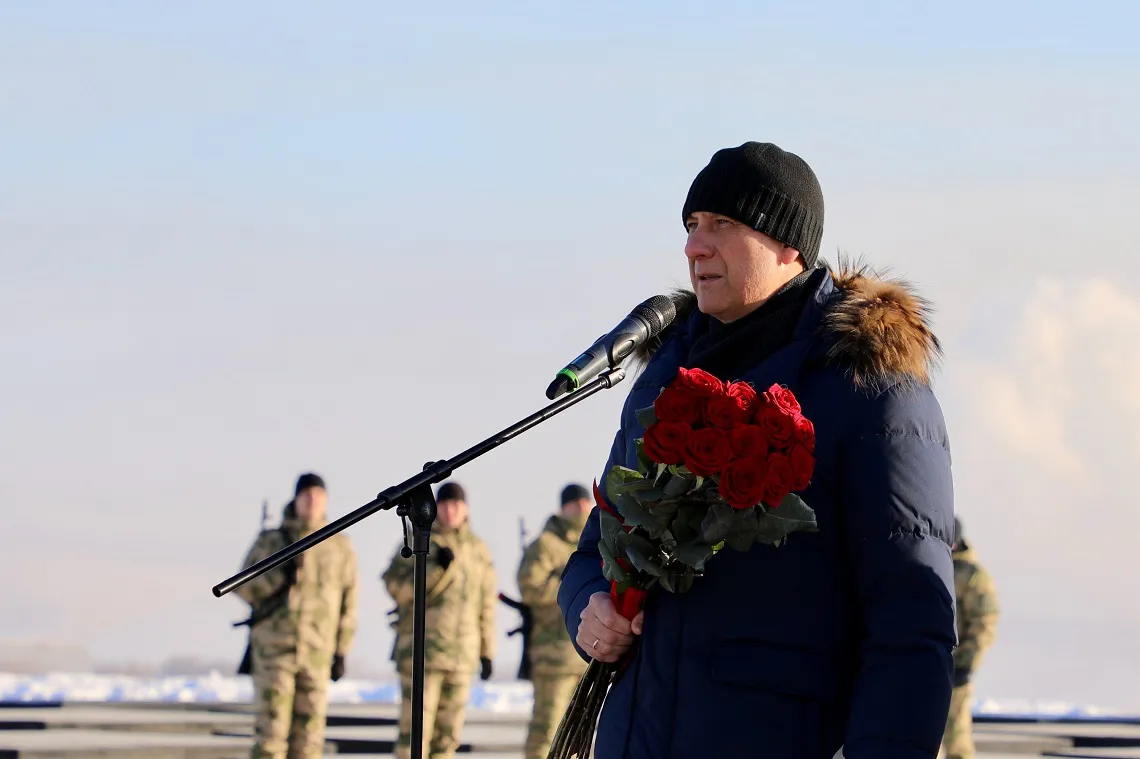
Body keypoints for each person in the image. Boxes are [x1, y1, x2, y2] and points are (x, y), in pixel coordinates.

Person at [558, 142, 958, 759]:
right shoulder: (665, 378)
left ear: (788, 245)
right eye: (692, 225)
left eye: (722, 224)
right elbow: (595, 549)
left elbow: (910, 626)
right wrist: (589, 607)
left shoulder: (868, 386)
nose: (695, 247)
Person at [235, 473, 358, 759]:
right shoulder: (271, 541)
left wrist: (341, 651)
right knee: (271, 738)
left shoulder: (338, 546)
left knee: (310, 741)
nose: (312, 501)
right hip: (275, 653)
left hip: (317, 653)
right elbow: (242, 587)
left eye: (318, 496)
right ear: (296, 499)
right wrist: (276, 576)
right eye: (306, 495)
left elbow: (349, 603)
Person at [382, 481, 497, 759]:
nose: (450, 511)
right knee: (415, 735)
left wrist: (486, 652)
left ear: (465, 509)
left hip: (461, 657)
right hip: (423, 656)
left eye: (456, 505)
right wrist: (435, 570)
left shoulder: (478, 549)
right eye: (444, 505)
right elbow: (398, 589)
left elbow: (485, 605)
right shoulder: (420, 540)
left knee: (448, 737)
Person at [517, 483, 594, 759]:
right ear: (563, 508)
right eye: (575, 504)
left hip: (589, 657)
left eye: (585, 503)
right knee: (547, 731)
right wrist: (571, 587)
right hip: (553, 657)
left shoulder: (595, 543)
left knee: (579, 737)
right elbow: (529, 586)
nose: (581, 509)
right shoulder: (546, 545)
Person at [941, 517, 1000, 759]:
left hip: (956, 667)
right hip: (928, 664)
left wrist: (966, 663)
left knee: (956, 735)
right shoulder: (932, 564)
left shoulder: (971, 575)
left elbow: (984, 622)